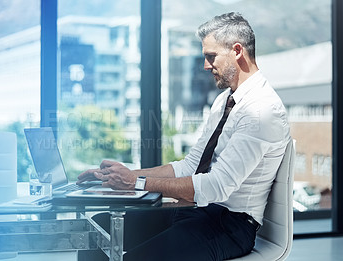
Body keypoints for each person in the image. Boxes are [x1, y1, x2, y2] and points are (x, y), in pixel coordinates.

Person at [77, 12, 290, 261]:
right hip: (198, 209)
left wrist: (136, 184)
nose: (205, 66)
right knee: (95, 233)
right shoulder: (225, 101)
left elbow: (216, 187)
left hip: (229, 226)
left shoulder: (262, 111)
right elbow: (191, 165)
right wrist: (125, 175)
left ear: (237, 51)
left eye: (211, 57)